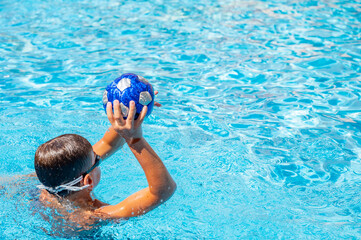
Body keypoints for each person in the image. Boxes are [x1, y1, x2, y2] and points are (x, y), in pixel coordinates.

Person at [34, 100, 176, 221]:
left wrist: (132, 111)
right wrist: (136, 140)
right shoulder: (96, 216)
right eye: (97, 160)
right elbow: (163, 191)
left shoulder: (48, 189)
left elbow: (107, 144)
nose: (99, 156)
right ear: (88, 181)